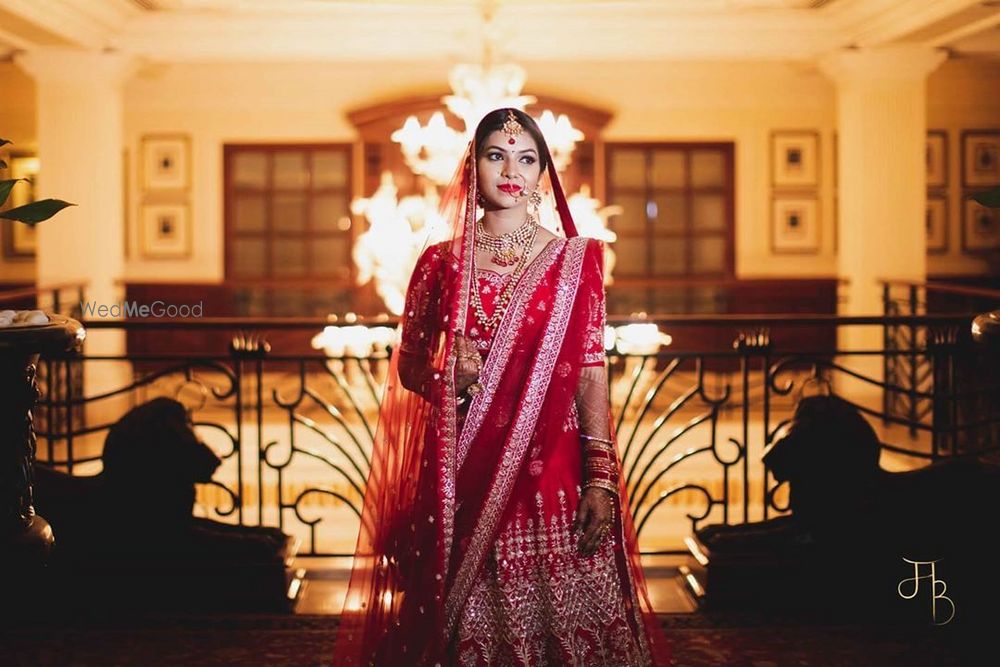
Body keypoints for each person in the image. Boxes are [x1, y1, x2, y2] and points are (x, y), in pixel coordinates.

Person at [333, 108, 672, 666]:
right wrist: (449, 379)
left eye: (526, 158)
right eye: (496, 155)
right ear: (474, 167)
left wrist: (601, 477)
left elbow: (590, 368)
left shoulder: (575, 261)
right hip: (464, 462)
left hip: (556, 467)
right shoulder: (440, 264)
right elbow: (410, 366)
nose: (511, 170)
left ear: (544, 172)